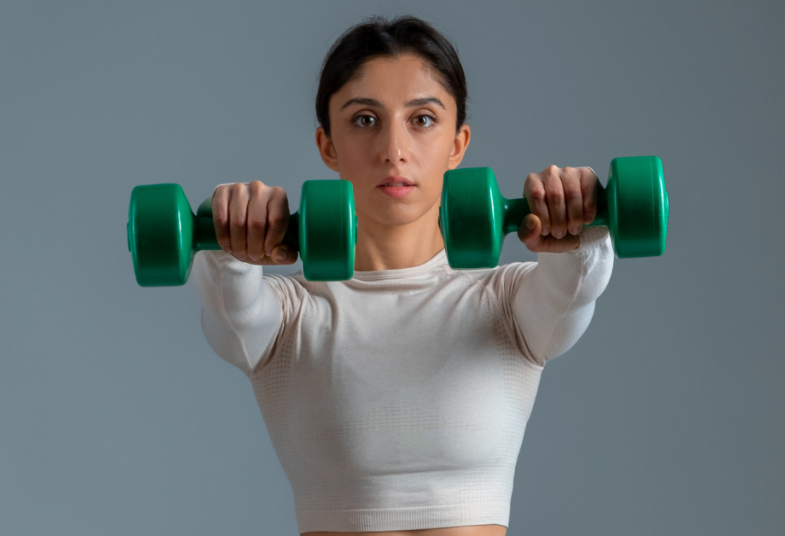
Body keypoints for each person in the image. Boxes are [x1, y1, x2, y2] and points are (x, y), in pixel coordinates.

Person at [194, 15, 613, 536]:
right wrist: (228, 232)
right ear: (328, 146)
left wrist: (581, 222)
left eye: (422, 119)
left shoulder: (505, 302)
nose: (394, 150)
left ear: (458, 144)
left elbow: (573, 285)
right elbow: (226, 302)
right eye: (365, 120)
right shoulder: (288, 316)